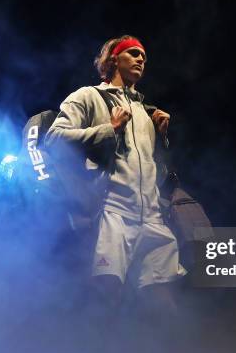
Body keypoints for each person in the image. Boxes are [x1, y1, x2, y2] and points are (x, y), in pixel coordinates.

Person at [45, 35, 186, 319]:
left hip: (152, 217)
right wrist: (109, 129)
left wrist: (161, 139)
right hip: (113, 211)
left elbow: (148, 167)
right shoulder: (88, 96)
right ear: (113, 59)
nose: (141, 60)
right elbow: (54, 138)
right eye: (133, 53)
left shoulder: (146, 113)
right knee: (107, 294)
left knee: (164, 301)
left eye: (144, 57)